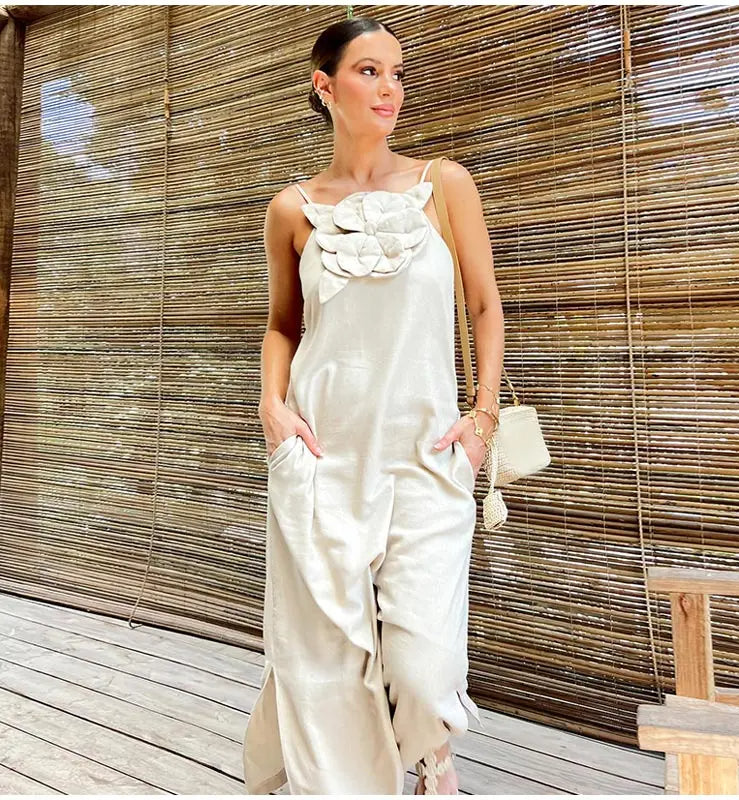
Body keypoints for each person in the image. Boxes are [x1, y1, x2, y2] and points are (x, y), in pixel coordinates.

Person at [242, 15, 504, 796]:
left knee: (425, 667)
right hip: (323, 457)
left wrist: (483, 417)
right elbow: (282, 325)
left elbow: (485, 306)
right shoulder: (292, 209)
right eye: (369, 71)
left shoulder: (444, 186)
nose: (390, 88)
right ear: (324, 87)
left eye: (397, 73)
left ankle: (430, 756)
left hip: (424, 456)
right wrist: (272, 407)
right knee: (326, 662)